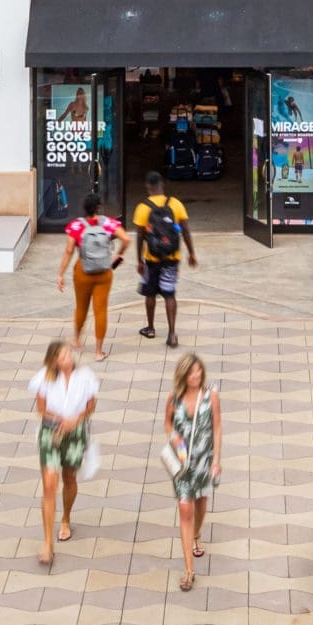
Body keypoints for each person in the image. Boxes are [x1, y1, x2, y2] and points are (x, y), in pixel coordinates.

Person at [29, 338, 98, 569]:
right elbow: (41, 409)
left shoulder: (86, 377)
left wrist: (75, 420)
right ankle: (48, 542)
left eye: (69, 354)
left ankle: (66, 517)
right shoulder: (44, 378)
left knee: (69, 478)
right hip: (51, 432)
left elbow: (90, 406)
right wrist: (59, 420)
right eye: (63, 356)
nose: (68, 358)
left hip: (75, 432)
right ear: (54, 361)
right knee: (49, 483)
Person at [163, 350, 224, 591]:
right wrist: (174, 438)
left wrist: (216, 459)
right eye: (192, 372)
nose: (196, 375)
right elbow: (167, 421)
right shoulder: (174, 397)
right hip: (181, 463)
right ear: (184, 375)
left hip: (204, 460)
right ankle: (189, 570)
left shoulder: (211, 397)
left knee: (200, 503)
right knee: (185, 508)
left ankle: (197, 534)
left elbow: (217, 428)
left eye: (199, 371)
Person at [130, 172, 197, 345]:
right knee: (169, 294)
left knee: (150, 294)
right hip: (171, 257)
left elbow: (139, 236)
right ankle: (172, 334)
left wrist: (139, 260)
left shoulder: (143, 207)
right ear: (162, 185)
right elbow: (186, 231)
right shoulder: (175, 204)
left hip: (151, 259)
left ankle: (151, 328)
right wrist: (191, 253)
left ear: (148, 187)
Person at [57, 194, 124, 360]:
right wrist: (118, 255)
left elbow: (68, 250)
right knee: (100, 310)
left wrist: (61, 274)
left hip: (83, 271)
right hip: (104, 271)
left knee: (81, 307)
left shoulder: (76, 225)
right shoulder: (107, 223)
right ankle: (98, 351)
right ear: (98, 208)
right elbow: (126, 238)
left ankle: (77, 339)